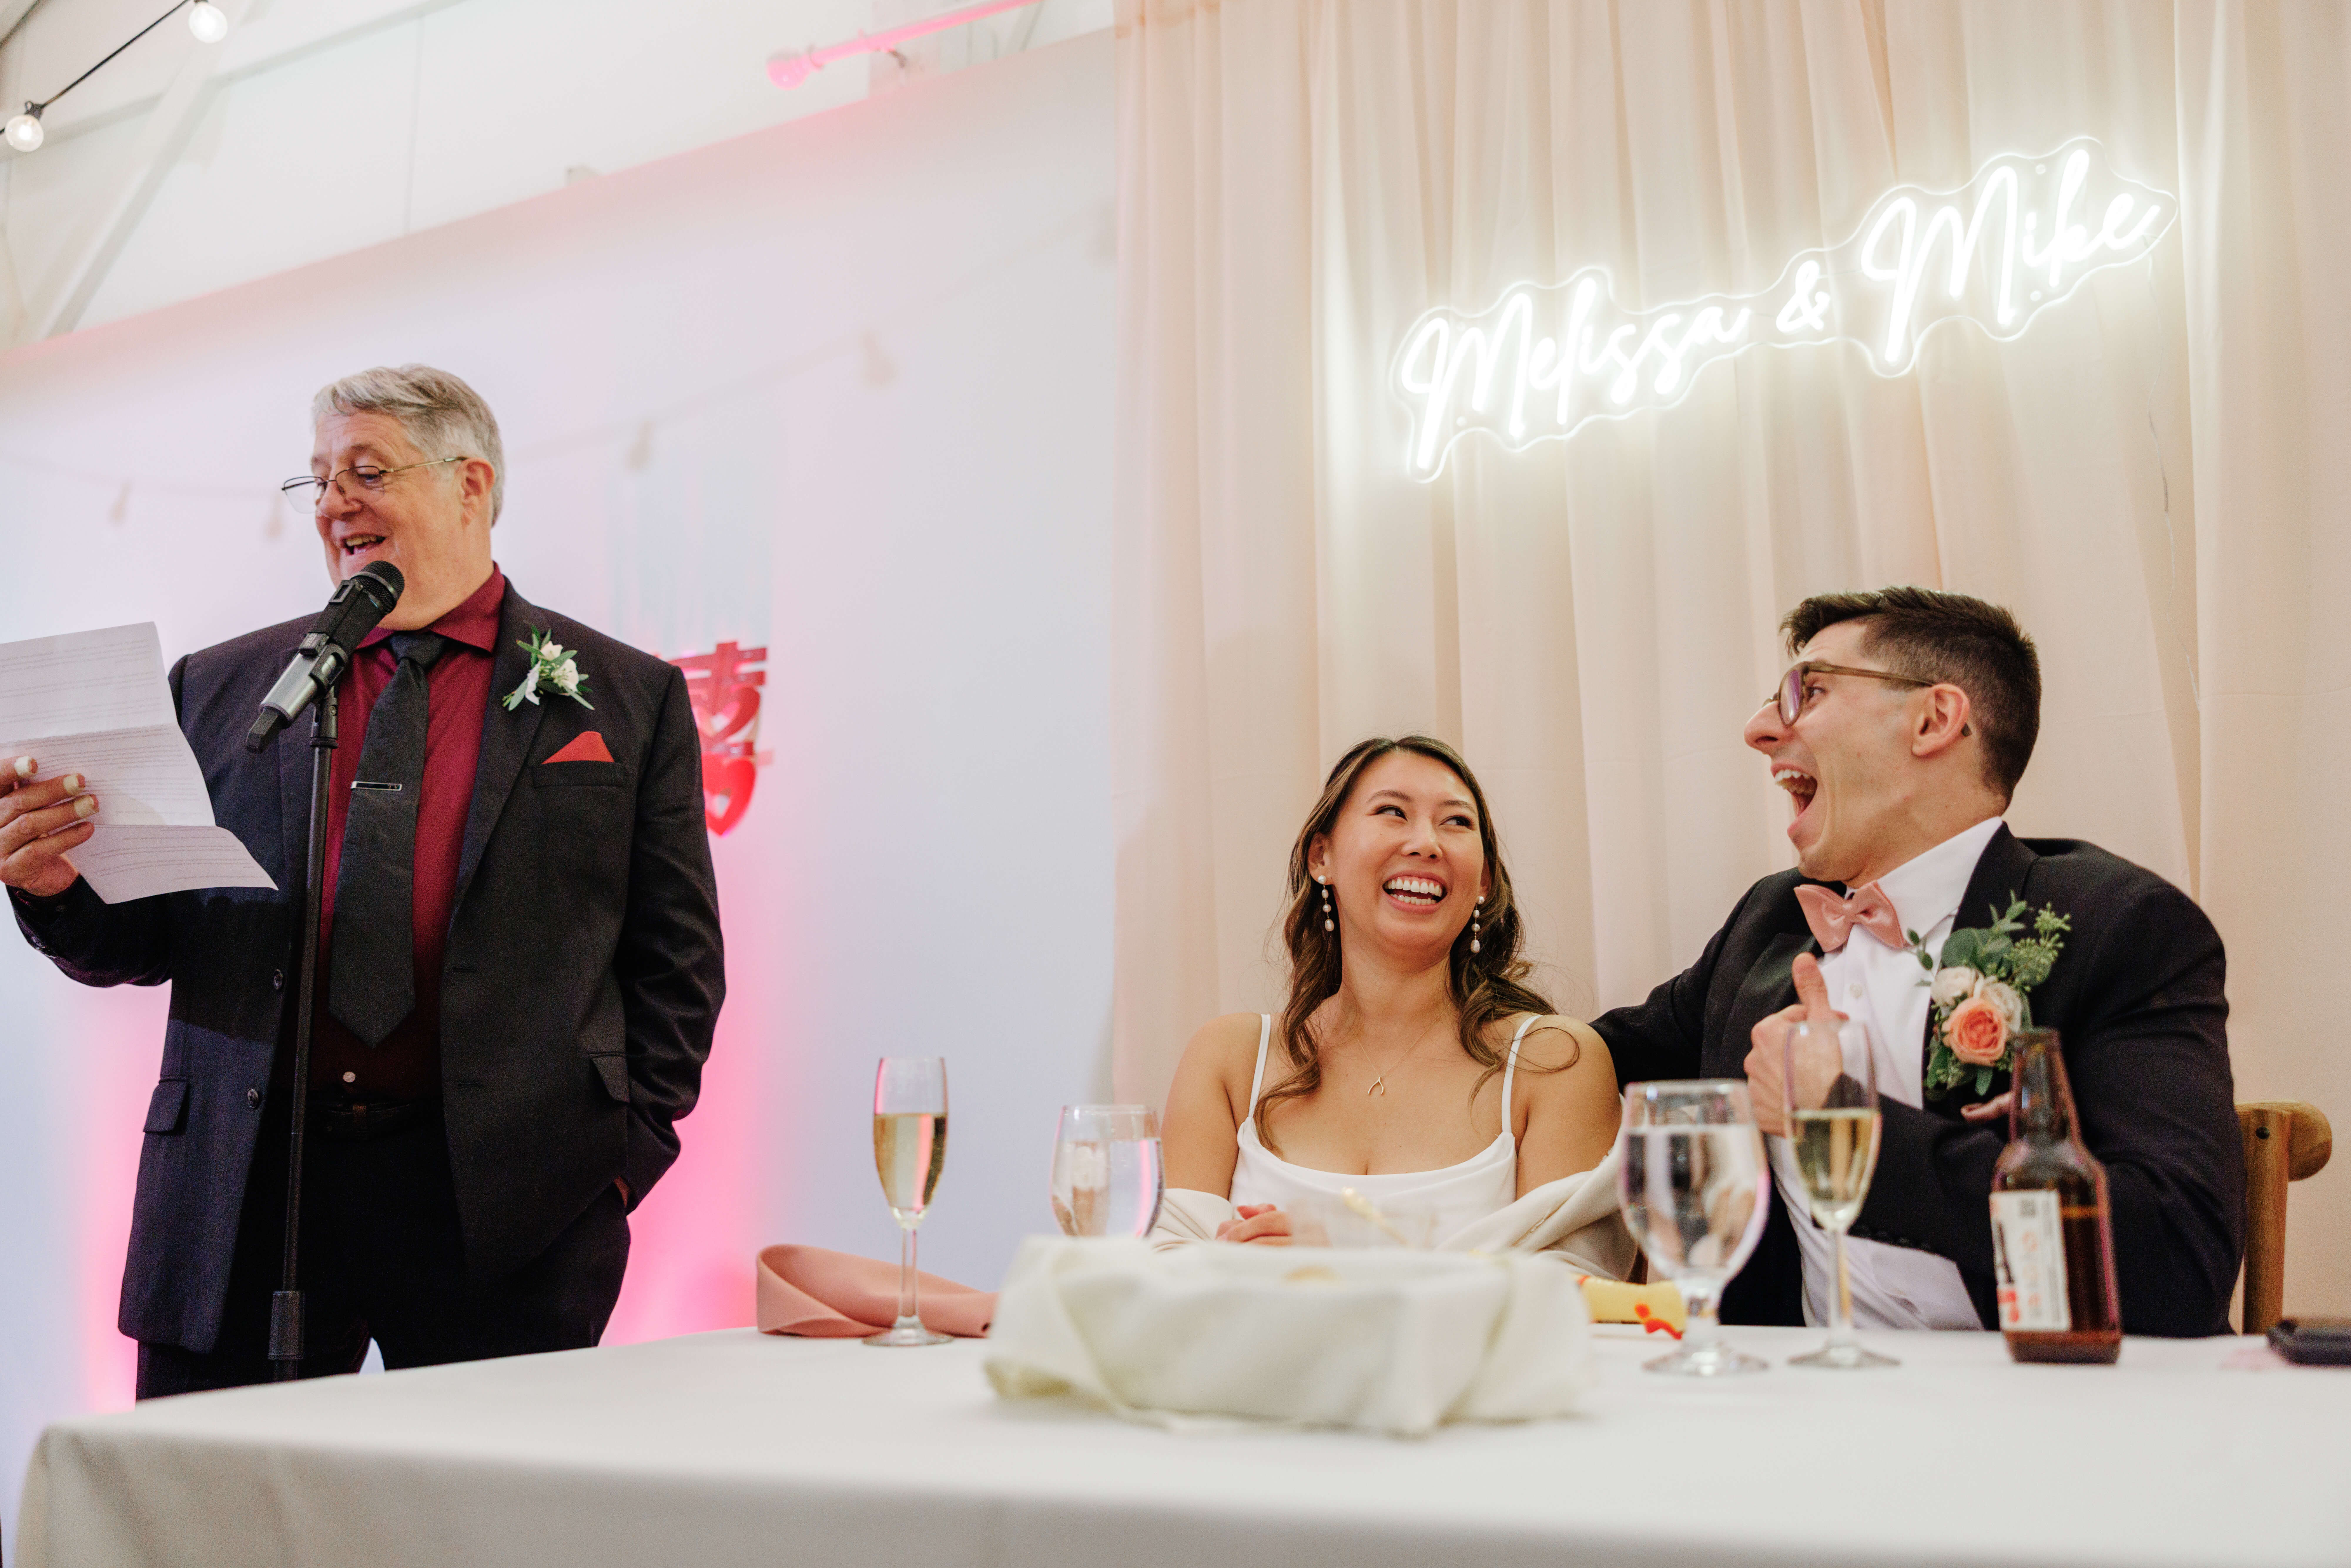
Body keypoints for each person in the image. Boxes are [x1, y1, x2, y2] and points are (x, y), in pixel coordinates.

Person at [2, 365, 725, 1395]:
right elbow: (144, 941)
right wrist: (53, 885)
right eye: (317, 480)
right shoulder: (220, 688)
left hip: (505, 1204)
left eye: (366, 470)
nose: (336, 503)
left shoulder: (623, 695)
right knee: (212, 1531)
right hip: (249, 1186)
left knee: (478, 1533)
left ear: (471, 485)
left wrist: (613, 1169)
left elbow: (677, 962)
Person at [1592, 587, 2241, 1336]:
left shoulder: (2118, 926)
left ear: (1934, 719)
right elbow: (1593, 1056)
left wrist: (1838, 1120)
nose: (1760, 728)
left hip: (2052, 1408)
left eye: (1808, 689)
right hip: (1795, 1411)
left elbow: (2178, 1261)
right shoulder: (1770, 920)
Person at [1155, 736, 1630, 1270]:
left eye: (1456, 823)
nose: (1427, 843)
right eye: (1392, 812)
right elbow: (1157, 1270)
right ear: (1321, 857)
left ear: (1485, 882)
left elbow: (1575, 1292)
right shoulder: (1230, 1059)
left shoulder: (1554, 1062)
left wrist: (1351, 1266)